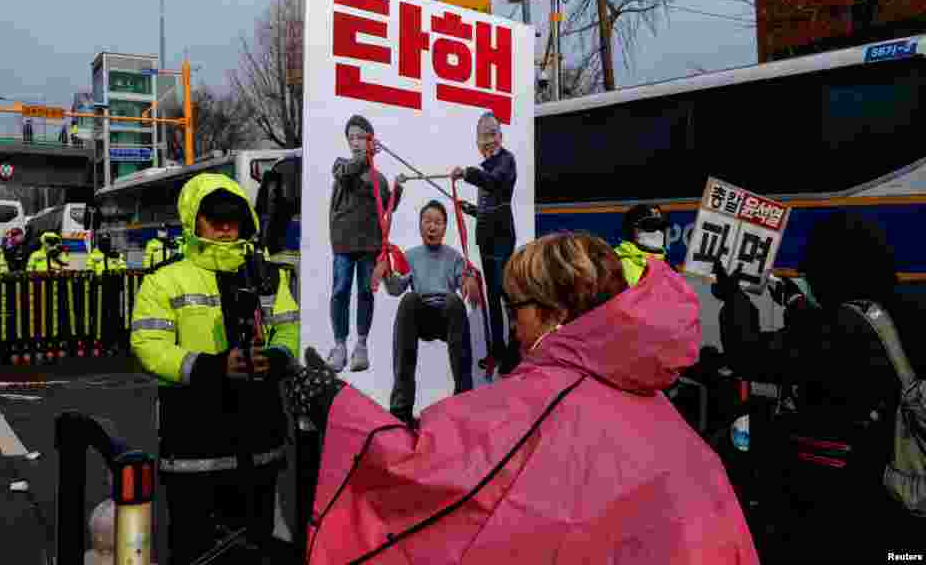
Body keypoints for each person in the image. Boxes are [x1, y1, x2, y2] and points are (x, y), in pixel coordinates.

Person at [284, 232, 758, 564]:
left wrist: (333, 403)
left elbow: (418, 470)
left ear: (555, 312)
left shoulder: (544, 398)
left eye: (516, 307)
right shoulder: (657, 405)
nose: (512, 323)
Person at [712, 212, 922, 559]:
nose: (807, 275)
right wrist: (794, 302)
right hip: (905, 485)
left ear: (833, 269)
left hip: (846, 497)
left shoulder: (838, 329)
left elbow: (750, 354)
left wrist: (734, 298)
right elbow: (826, 333)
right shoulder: (900, 310)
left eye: (812, 268)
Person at [130, 172, 299, 564]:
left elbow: (290, 333)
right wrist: (211, 367)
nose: (225, 228)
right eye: (214, 219)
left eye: (232, 219)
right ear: (194, 221)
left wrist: (273, 359)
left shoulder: (268, 275)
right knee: (195, 551)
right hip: (194, 443)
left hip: (261, 443)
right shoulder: (164, 280)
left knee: (260, 548)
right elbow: (149, 346)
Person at [381, 200, 481, 427]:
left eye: (437, 222)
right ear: (420, 226)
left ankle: (464, 397)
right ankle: (401, 407)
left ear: (445, 227)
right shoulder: (411, 257)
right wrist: (387, 272)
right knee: (409, 299)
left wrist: (469, 280)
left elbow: (464, 280)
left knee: (455, 301)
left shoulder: (454, 257)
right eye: (427, 221)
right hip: (421, 316)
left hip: (447, 316)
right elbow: (396, 289)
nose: (432, 227)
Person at [328, 114, 403, 372]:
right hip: (343, 244)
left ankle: (361, 345)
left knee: (364, 293)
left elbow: (386, 210)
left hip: (368, 246)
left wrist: (397, 189)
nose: (355, 142)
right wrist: (366, 158)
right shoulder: (341, 166)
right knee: (340, 291)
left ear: (370, 140)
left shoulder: (378, 179)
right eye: (351, 138)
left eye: (361, 137)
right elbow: (348, 173)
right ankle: (339, 346)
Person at [451, 111, 517, 374]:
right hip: (487, 238)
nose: (488, 141)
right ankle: (497, 349)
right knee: (492, 295)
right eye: (483, 137)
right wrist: (469, 208)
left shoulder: (505, 162)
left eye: (492, 134)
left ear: (500, 136)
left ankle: (514, 350)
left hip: (501, 238)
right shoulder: (487, 166)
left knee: (504, 294)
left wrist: (467, 173)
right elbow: (488, 207)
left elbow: (494, 184)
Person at [615, 203, 669, 286]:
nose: (657, 232)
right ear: (631, 230)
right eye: (649, 225)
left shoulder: (669, 266)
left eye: (660, 226)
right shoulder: (616, 265)